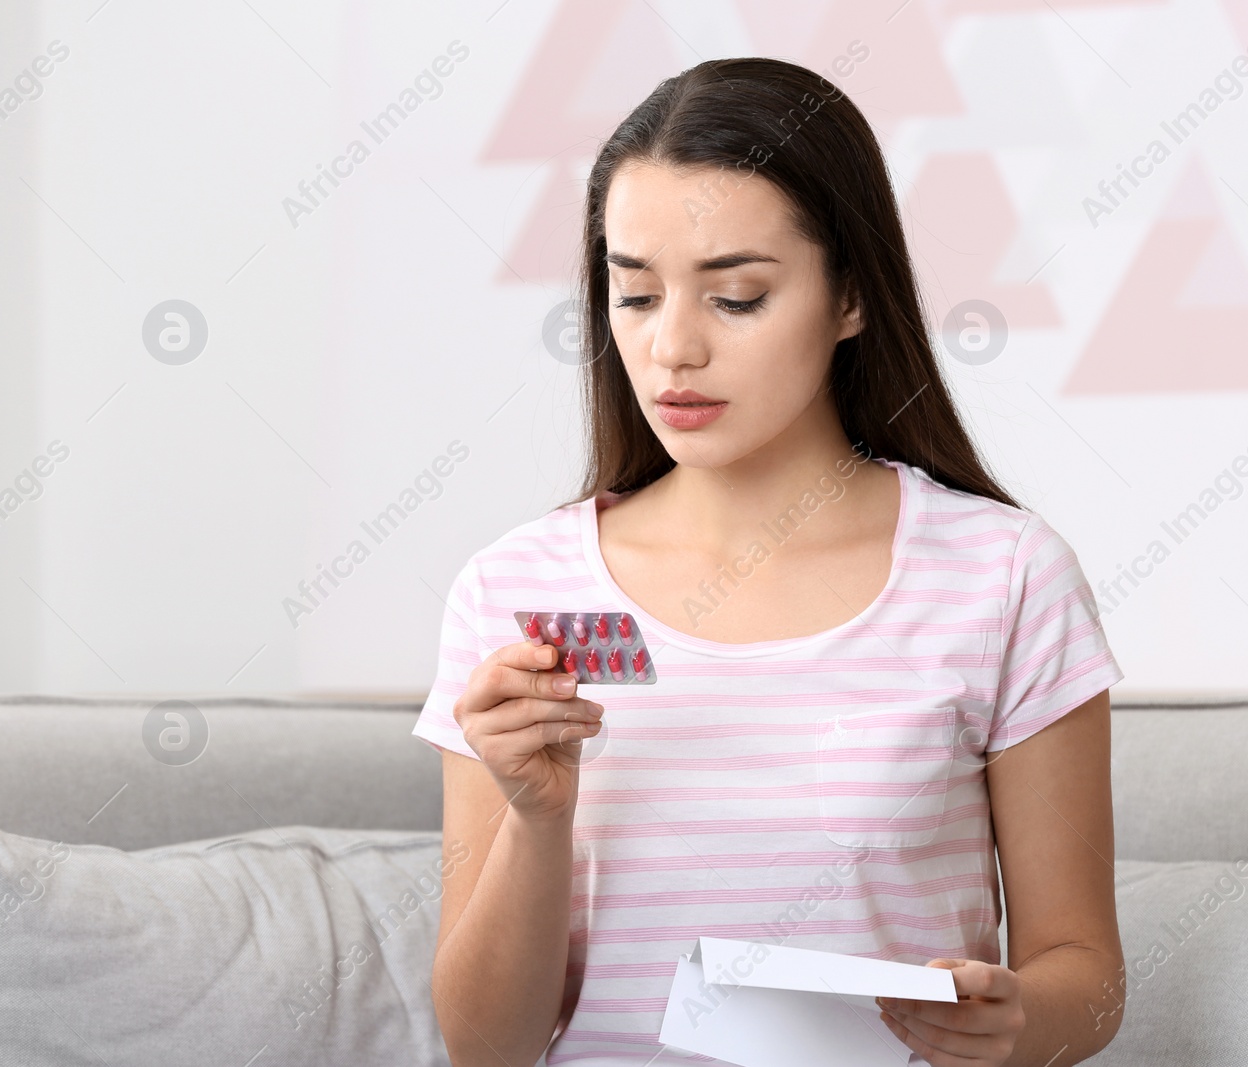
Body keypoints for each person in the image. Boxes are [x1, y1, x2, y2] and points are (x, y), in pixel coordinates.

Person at [412, 56, 1126, 1067]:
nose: (672, 349)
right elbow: (485, 1046)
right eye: (636, 295)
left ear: (849, 295)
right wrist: (536, 816)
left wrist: (1011, 1021)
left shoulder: (1003, 576)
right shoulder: (514, 591)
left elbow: (1087, 980)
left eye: (736, 295)